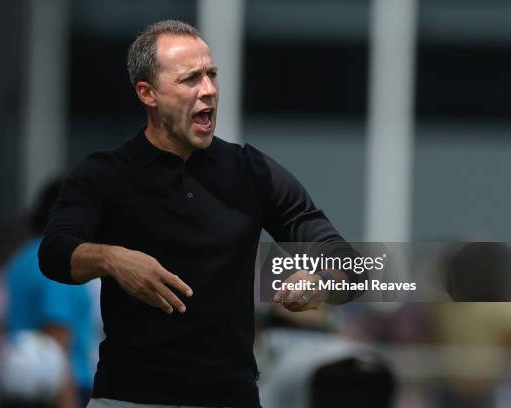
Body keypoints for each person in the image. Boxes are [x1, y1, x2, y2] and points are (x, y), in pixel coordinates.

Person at [39, 20, 362, 408]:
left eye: (211, 75)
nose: (208, 90)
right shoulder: (103, 174)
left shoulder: (253, 172)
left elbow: (351, 264)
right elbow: (55, 252)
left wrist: (321, 280)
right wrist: (112, 258)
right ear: (148, 93)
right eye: (190, 79)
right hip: (127, 398)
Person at [4, 180, 93, 408]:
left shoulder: (22, 257)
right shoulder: (59, 260)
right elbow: (56, 341)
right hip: (57, 392)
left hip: (17, 383)